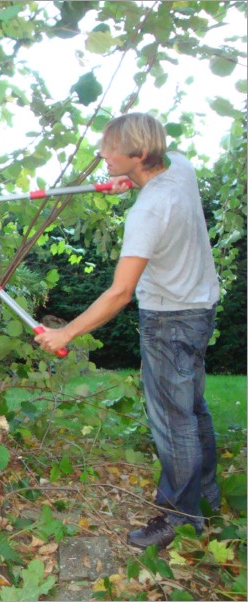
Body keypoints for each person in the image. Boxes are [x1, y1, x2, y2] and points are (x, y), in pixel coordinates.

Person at [35, 112, 221, 550]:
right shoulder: (179, 167)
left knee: (173, 423)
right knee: (192, 410)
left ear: (137, 154)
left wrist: (66, 335)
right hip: (198, 308)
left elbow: (119, 293)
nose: (102, 153)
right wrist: (133, 181)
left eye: (110, 148)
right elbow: (155, 176)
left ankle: (178, 516)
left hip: (169, 320)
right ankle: (206, 495)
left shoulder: (149, 211)